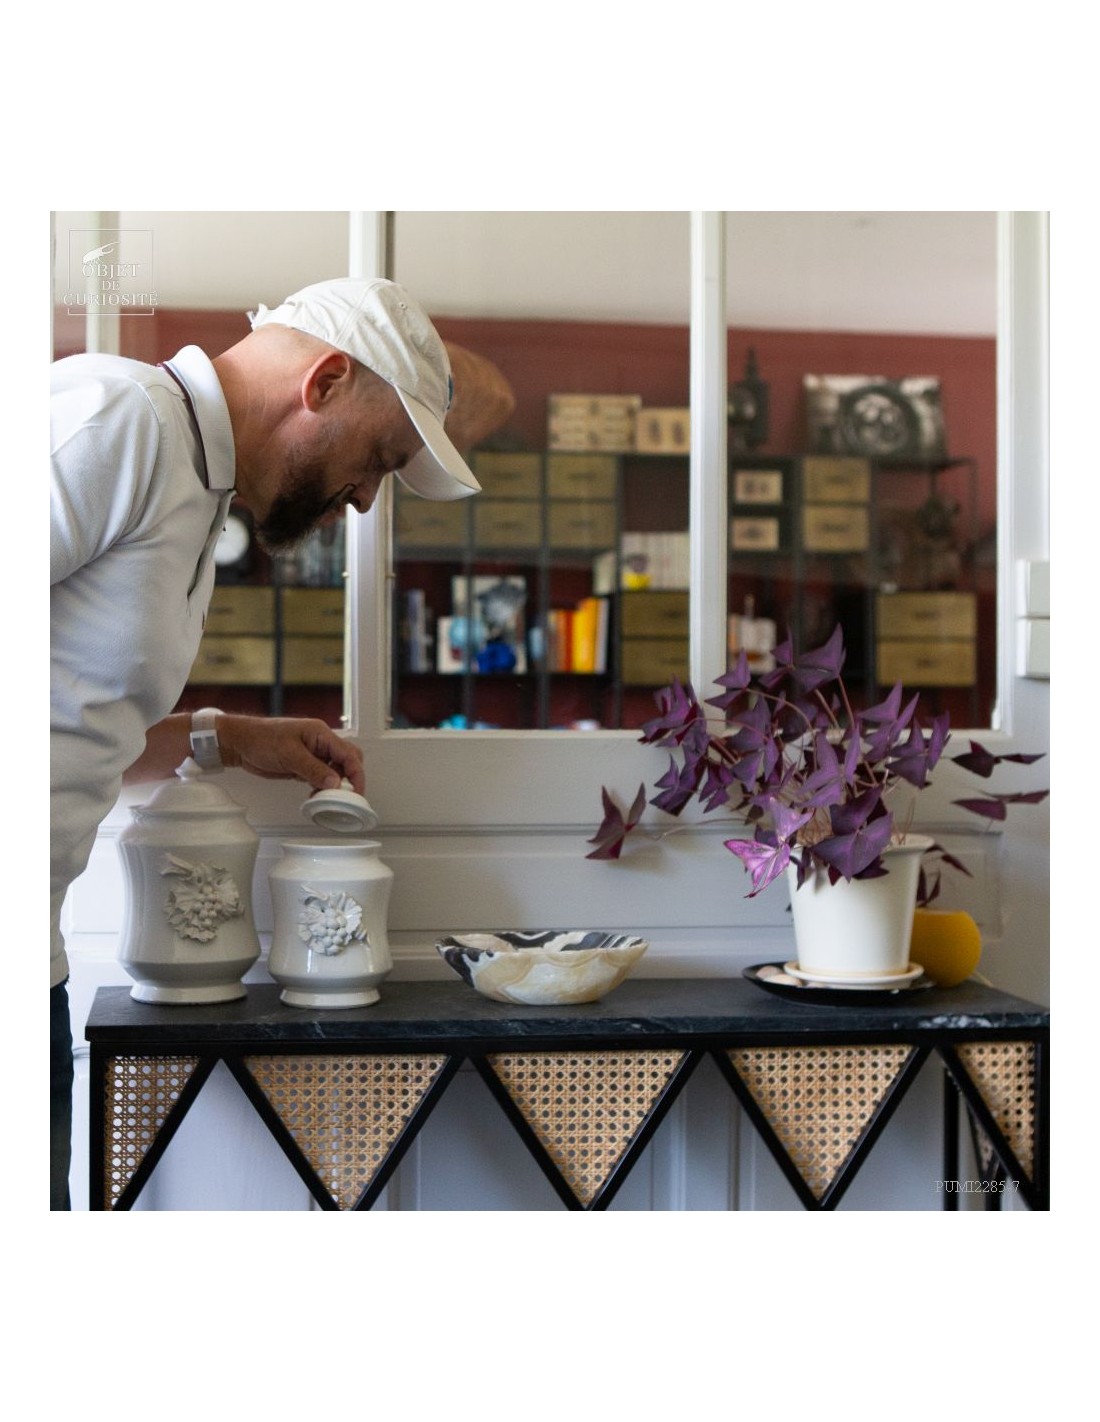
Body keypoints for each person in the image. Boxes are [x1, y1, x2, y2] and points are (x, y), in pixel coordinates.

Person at [50, 276, 514, 1209]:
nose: (366, 500)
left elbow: (74, 721)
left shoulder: (192, 482)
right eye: (379, 459)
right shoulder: (120, 420)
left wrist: (225, 739)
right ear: (326, 380)